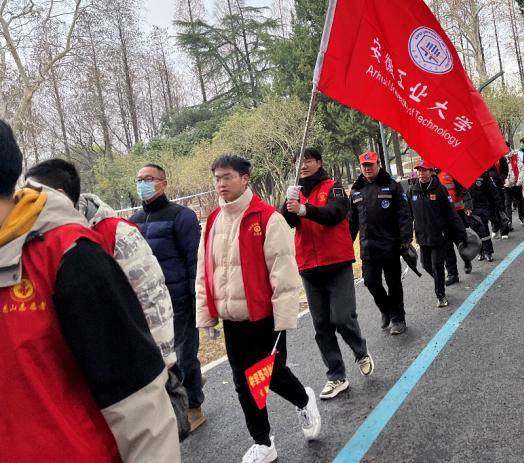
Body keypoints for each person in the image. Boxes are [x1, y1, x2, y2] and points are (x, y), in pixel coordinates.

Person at [0, 121, 179, 462]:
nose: (143, 185)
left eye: (148, 179)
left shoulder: (74, 253)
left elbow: (151, 293)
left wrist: (168, 356)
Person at [196, 155, 320, 463]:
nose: (221, 183)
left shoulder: (267, 218)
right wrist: (207, 314)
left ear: (244, 178)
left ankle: (303, 399)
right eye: (217, 178)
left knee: (269, 375)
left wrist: (284, 318)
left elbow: (283, 274)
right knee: (244, 383)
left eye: (227, 177)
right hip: (232, 319)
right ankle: (263, 442)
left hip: (264, 317)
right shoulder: (213, 221)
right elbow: (204, 271)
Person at [281, 147, 373, 400]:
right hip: (308, 267)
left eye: (307, 160)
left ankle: (360, 351)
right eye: (298, 162)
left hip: (336, 262)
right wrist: (287, 206)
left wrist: (304, 209)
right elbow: (287, 223)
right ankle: (336, 375)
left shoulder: (334, 186)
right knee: (321, 325)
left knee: (342, 318)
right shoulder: (296, 192)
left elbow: (335, 214)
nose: (302, 166)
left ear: (319, 162)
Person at [130, 163, 205, 431]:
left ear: (163, 183)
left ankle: (194, 406)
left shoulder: (182, 216)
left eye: (149, 178)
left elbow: (194, 259)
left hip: (180, 300)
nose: (143, 184)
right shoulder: (133, 221)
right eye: (139, 179)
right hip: (149, 305)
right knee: (160, 362)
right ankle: (182, 396)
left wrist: (197, 297)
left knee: (185, 357)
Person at [349, 151, 413, 335]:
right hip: (368, 248)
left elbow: (404, 215)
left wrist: (406, 239)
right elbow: (352, 222)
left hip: (391, 246)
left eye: (371, 165)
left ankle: (398, 319)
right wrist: (345, 245)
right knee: (370, 282)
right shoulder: (356, 190)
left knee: (394, 284)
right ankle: (386, 308)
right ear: (360, 167)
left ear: (379, 165)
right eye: (364, 166)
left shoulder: (392, 186)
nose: (367, 168)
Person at [408, 160, 467, 307]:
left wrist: (461, 232)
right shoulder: (412, 190)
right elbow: (407, 215)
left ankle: (440, 295)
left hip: (439, 236)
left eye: (424, 170)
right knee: (425, 264)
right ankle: (439, 278)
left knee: (437, 265)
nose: (421, 173)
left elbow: (451, 213)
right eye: (419, 171)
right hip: (422, 237)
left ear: (431, 172)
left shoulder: (440, 189)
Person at [436, 168, 474, 276]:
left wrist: (468, 205)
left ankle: (467, 260)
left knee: (460, 240)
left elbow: (462, 189)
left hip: (457, 213)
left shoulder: (450, 171)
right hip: (441, 216)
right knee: (446, 245)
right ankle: (452, 273)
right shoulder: (430, 177)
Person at [469, 170, 500, 262]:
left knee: (484, 228)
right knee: (475, 230)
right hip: (470, 207)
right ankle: (480, 251)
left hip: (483, 206)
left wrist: (498, 204)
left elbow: (491, 190)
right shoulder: (461, 174)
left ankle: (488, 252)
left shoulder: (482, 173)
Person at [503, 143, 524, 229]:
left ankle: (521, 218)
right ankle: (509, 222)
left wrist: (520, 180)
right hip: (506, 185)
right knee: (507, 203)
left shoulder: (515, 156)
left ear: (508, 147)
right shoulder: (501, 158)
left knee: (519, 202)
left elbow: (521, 169)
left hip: (516, 183)